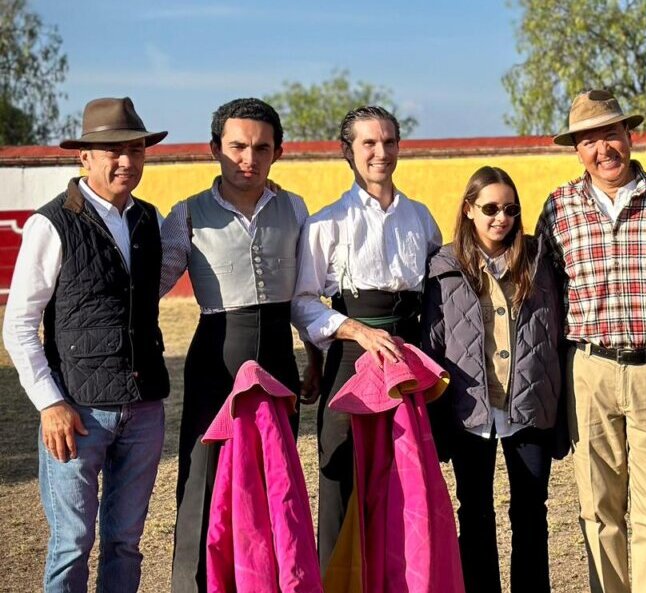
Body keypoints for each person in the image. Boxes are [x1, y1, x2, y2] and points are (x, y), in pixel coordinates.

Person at [2, 97, 170, 593]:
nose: (126, 161)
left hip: (143, 406)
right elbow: (18, 324)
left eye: (135, 150)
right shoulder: (51, 223)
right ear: (85, 158)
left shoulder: (149, 219)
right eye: (113, 151)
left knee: (126, 542)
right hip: (77, 410)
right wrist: (49, 403)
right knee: (72, 543)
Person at [535, 89, 646, 593]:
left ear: (629, 135)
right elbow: (545, 291)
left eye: (610, 134)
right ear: (577, 150)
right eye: (588, 140)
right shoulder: (558, 207)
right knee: (598, 507)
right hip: (589, 369)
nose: (603, 149)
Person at [158, 98, 310, 593]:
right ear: (214, 149)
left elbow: (306, 293)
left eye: (262, 148)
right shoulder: (186, 214)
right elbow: (149, 286)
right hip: (215, 364)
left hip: (280, 361)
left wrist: (317, 356)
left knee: (275, 480)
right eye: (238, 147)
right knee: (203, 479)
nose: (249, 158)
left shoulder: (295, 208)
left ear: (278, 152)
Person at [292, 105, 442, 571]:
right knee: (341, 476)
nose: (381, 152)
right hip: (351, 356)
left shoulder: (421, 218)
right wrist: (355, 330)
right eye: (369, 143)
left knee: (406, 479)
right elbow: (302, 302)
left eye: (389, 142)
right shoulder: (326, 222)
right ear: (348, 151)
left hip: (408, 356)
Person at [421, 166, 562, 593]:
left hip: (529, 403)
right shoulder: (443, 265)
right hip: (470, 407)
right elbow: (434, 340)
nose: (502, 218)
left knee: (531, 511)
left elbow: (556, 330)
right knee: (475, 512)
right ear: (469, 209)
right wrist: (437, 414)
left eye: (511, 210)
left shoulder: (538, 260)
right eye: (491, 209)